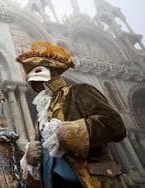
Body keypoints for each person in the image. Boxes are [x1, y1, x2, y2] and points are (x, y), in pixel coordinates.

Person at [17, 41, 130, 188]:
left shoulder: (79, 91)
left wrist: (72, 132)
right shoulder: (41, 114)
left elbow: (115, 125)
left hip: (90, 180)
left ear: (54, 72)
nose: (40, 83)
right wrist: (31, 159)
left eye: (41, 74)